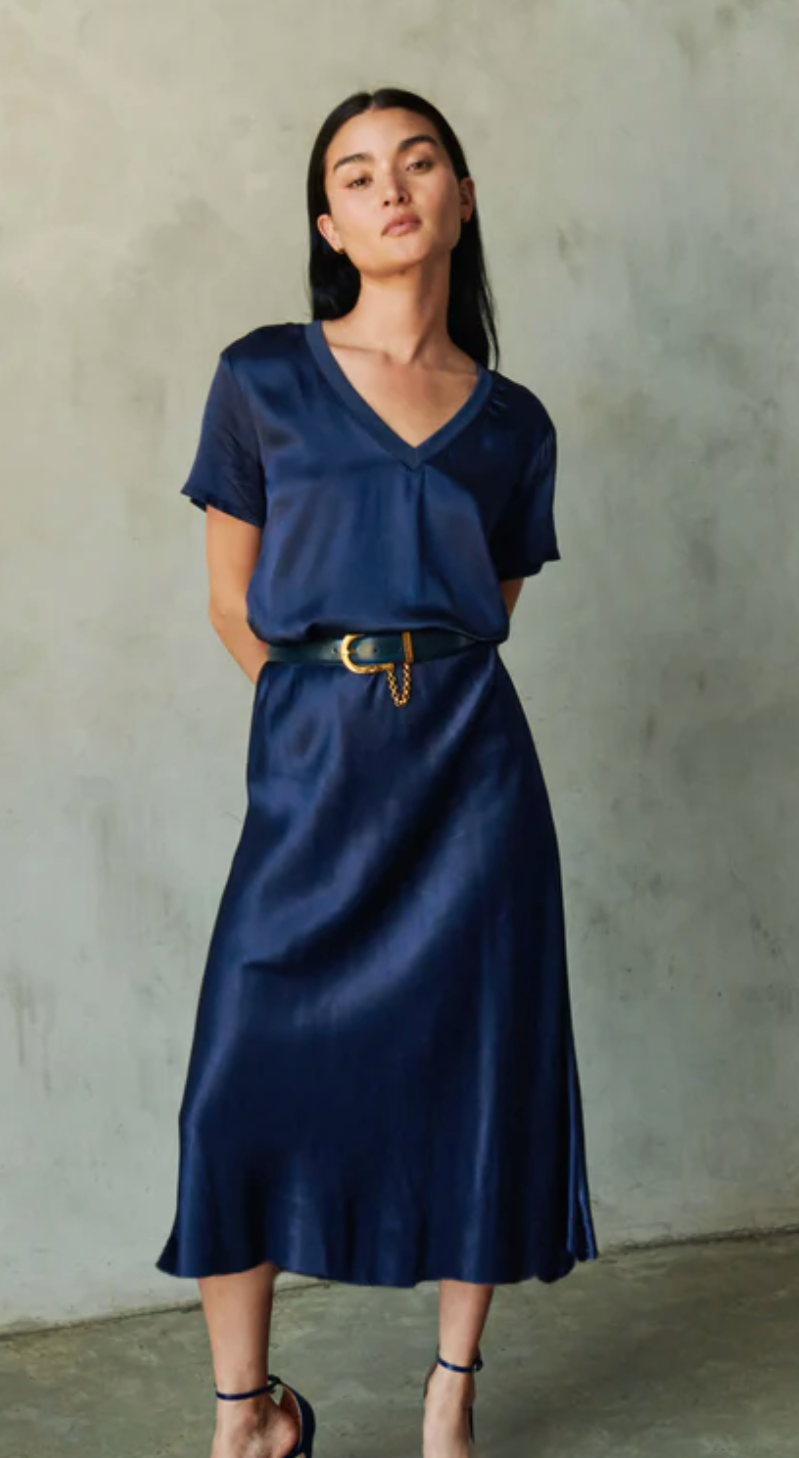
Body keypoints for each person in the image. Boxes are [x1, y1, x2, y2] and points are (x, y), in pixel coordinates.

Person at [155, 87, 599, 1458]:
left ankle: (450, 1393)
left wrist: (412, 708)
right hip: (315, 779)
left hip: (475, 786)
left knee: (480, 1071)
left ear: (461, 199)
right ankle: (248, 1412)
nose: (391, 186)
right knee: (242, 1076)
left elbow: (493, 606)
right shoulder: (263, 379)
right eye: (356, 174)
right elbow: (234, 602)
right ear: (327, 224)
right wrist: (322, 723)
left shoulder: (514, 423)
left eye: (419, 162)